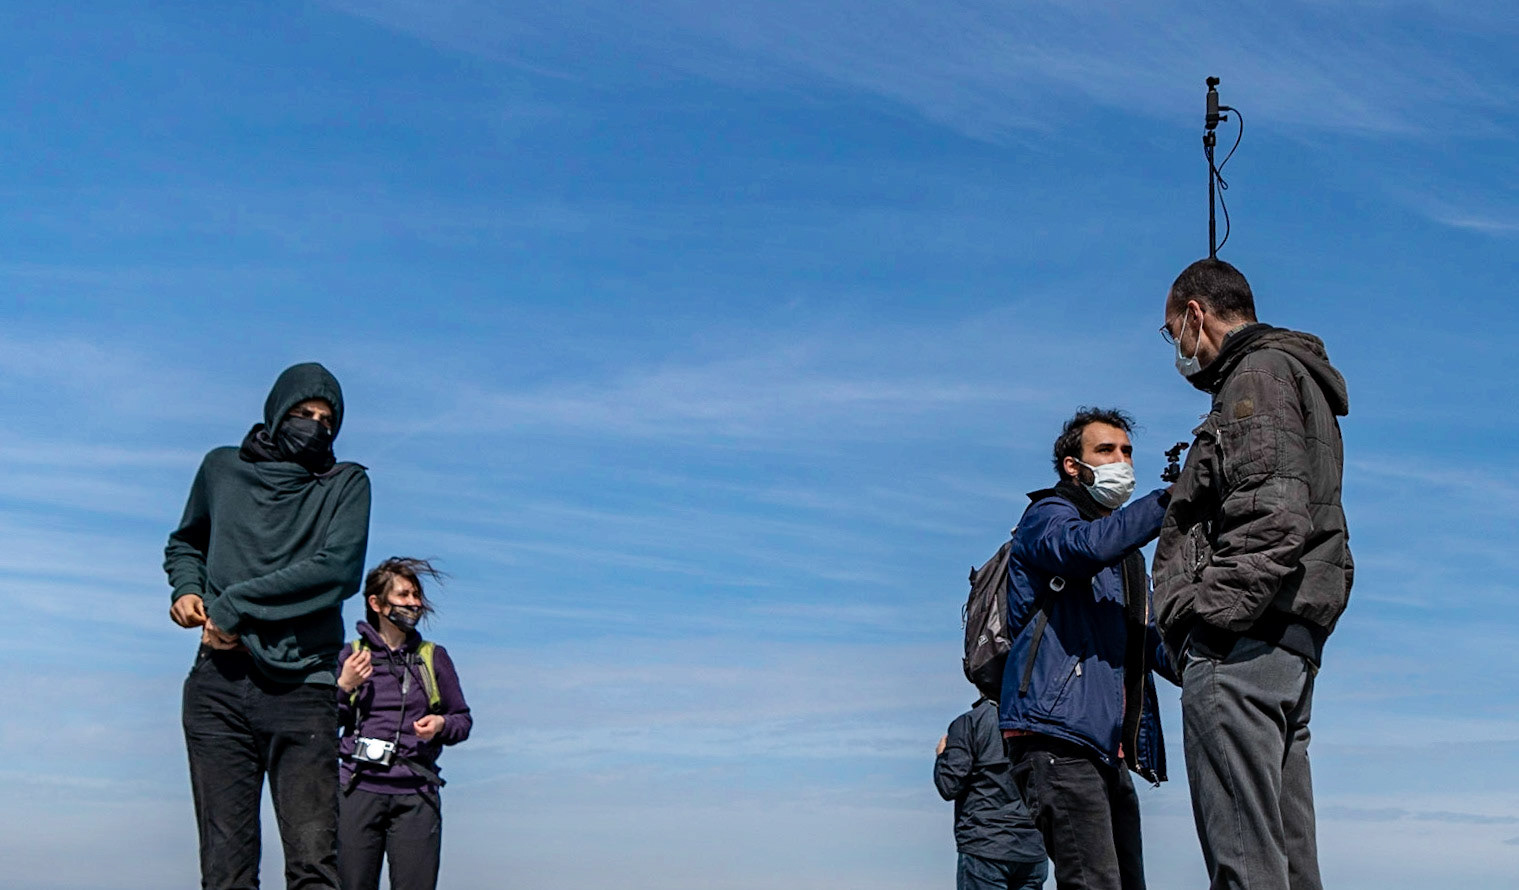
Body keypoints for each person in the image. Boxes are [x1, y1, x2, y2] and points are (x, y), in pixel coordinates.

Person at [1153, 259, 1351, 890]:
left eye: (1171, 332)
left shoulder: (1255, 376)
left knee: (1246, 864)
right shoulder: (1293, 374)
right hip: (1286, 642)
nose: (1176, 349)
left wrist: (1199, 619)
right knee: (1288, 867)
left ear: (1195, 315)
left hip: (1242, 649)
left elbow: (1273, 515)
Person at [165, 362, 372, 890]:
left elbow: (338, 571)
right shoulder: (221, 469)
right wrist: (187, 588)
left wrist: (232, 607)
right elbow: (188, 541)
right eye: (303, 413)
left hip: (303, 686)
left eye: (327, 420)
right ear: (278, 412)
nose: (314, 425)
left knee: (312, 864)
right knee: (225, 867)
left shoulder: (344, 483)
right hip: (219, 685)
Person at [998, 407, 1178, 890]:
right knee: (1093, 882)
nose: (1121, 461)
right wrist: (1171, 500)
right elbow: (1084, 549)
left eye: (1126, 451)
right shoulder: (1047, 519)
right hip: (1055, 737)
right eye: (1105, 450)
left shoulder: (1127, 558)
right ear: (1072, 467)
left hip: (1107, 748)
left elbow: (1153, 643)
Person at [337, 557, 472, 890]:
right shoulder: (350, 655)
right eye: (404, 595)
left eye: (416, 595)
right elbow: (323, 723)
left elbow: (462, 720)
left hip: (417, 792)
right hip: (358, 788)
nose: (414, 603)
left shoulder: (432, 656)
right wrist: (344, 686)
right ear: (377, 604)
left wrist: (440, 724)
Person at [935, 696, 1048, 890]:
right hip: (1032, 847)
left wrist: (942, 757)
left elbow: (949, 785)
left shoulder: (970, 722)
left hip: (985, 846)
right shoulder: (1042, 721)